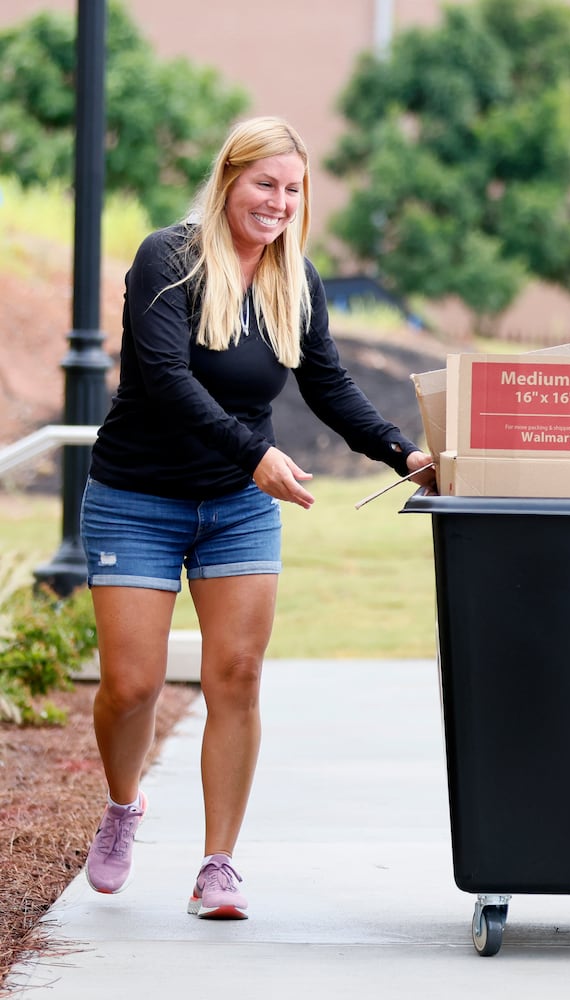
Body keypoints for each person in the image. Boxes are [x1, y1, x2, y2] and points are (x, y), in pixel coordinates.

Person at [79, 116, 435, 920]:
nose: (277, 203)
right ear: (229, 180)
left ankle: (217, 866)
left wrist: (400, 452)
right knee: (130, 687)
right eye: (264, 184)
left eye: (292, 189)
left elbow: (328, 383)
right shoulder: (167, 260)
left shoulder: (294, 278)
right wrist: (255, 456)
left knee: (235, 677)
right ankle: (124, 805)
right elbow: (166, 379)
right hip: (138, 496)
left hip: (236, 510)